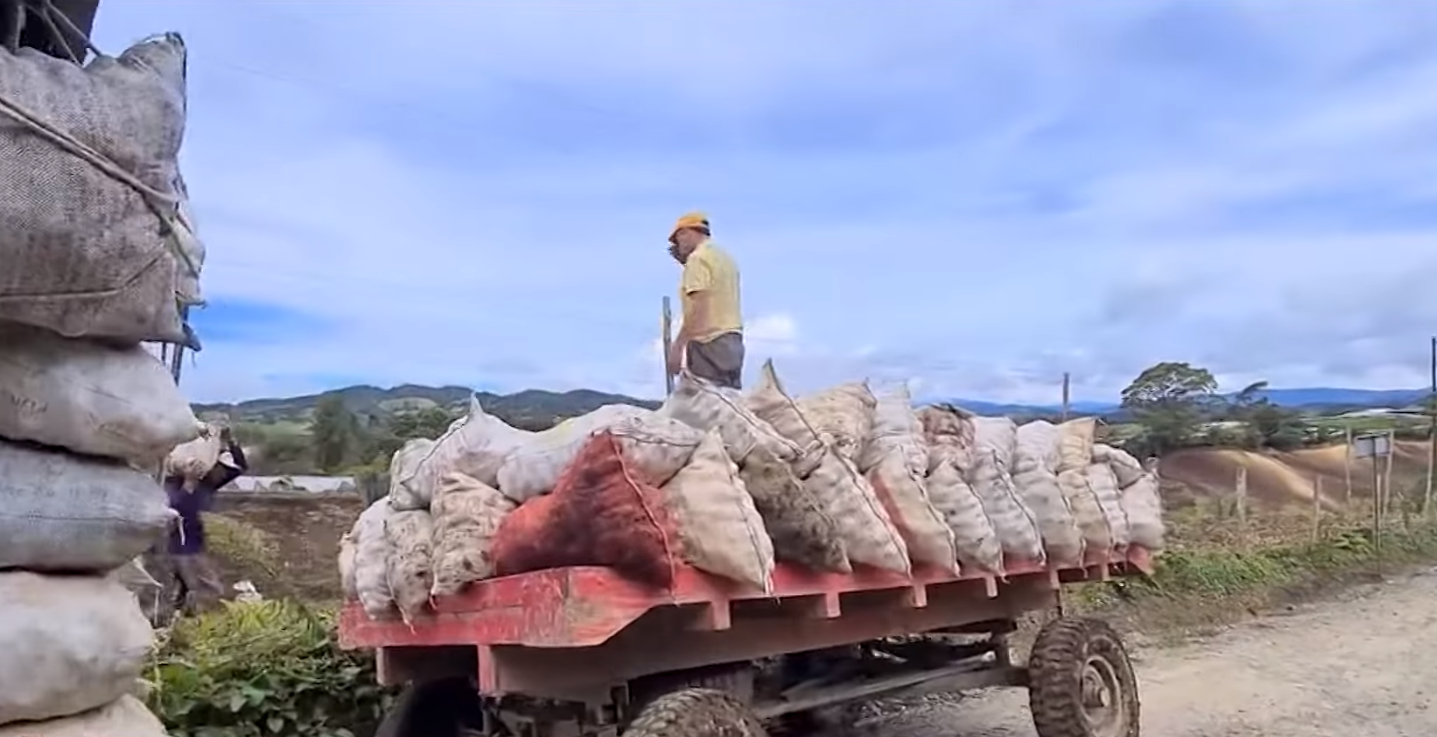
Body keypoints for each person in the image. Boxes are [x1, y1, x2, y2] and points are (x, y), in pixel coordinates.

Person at [165, 426, 247, 616]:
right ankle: (195, 625)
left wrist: (230, 442)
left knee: (190, 592)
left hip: (197, 546)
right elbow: (176, 511)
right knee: (208, 591)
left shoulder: (208, 483)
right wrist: (189, 483)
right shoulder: (172, 485)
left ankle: (181, 620)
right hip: (183, 549)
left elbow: (240, 466)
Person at [666, 211, 745, 389]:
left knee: (702, 405)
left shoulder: (697, 260)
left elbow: (699, 305)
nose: (677, 246)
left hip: (708, 342)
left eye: (677, 239)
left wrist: (678, 347)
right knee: (728, 404)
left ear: (684, 232)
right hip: (732, 340)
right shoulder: (725, 258)